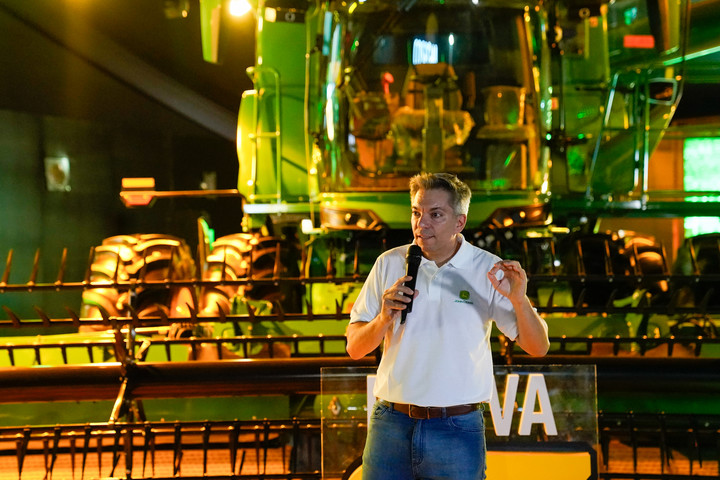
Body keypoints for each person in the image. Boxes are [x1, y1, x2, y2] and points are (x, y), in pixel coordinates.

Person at [346, 172, 550, 480]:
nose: (421, 223)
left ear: (460, 222)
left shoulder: (488, 269)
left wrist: (520, 301)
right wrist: (383, 318)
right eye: (416, 212)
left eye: (435, 214)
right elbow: (355, 348)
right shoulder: (389, 263)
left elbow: (538, 347)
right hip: (390, 423)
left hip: (457, 426)